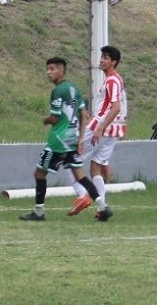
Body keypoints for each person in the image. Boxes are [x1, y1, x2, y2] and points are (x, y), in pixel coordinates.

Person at [19, 57, 112, 221]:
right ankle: (103, 207)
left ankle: (39, 212)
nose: (49, 72)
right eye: (47, 69)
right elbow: (84, 115)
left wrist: (46, 120)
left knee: (39, 174)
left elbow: (55, 118)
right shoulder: (74, 88)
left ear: (62, 71)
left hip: (58, 142)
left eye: (52, 69)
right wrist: (81, 138)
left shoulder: (58, 91)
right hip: (72, 140)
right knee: (80, 177)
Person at [66, 46, 127, 219]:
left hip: (101, 127)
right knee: (96, 167)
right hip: (113, 129)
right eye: (102, 57)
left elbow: (115, 107)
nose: (101, 60)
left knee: (69, 157)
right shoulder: (116, 80)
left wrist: (100, 126)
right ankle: (102, 208)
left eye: (106, 58)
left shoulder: (112, 81)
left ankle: (81, 196)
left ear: (114, 62)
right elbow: (115, 106)